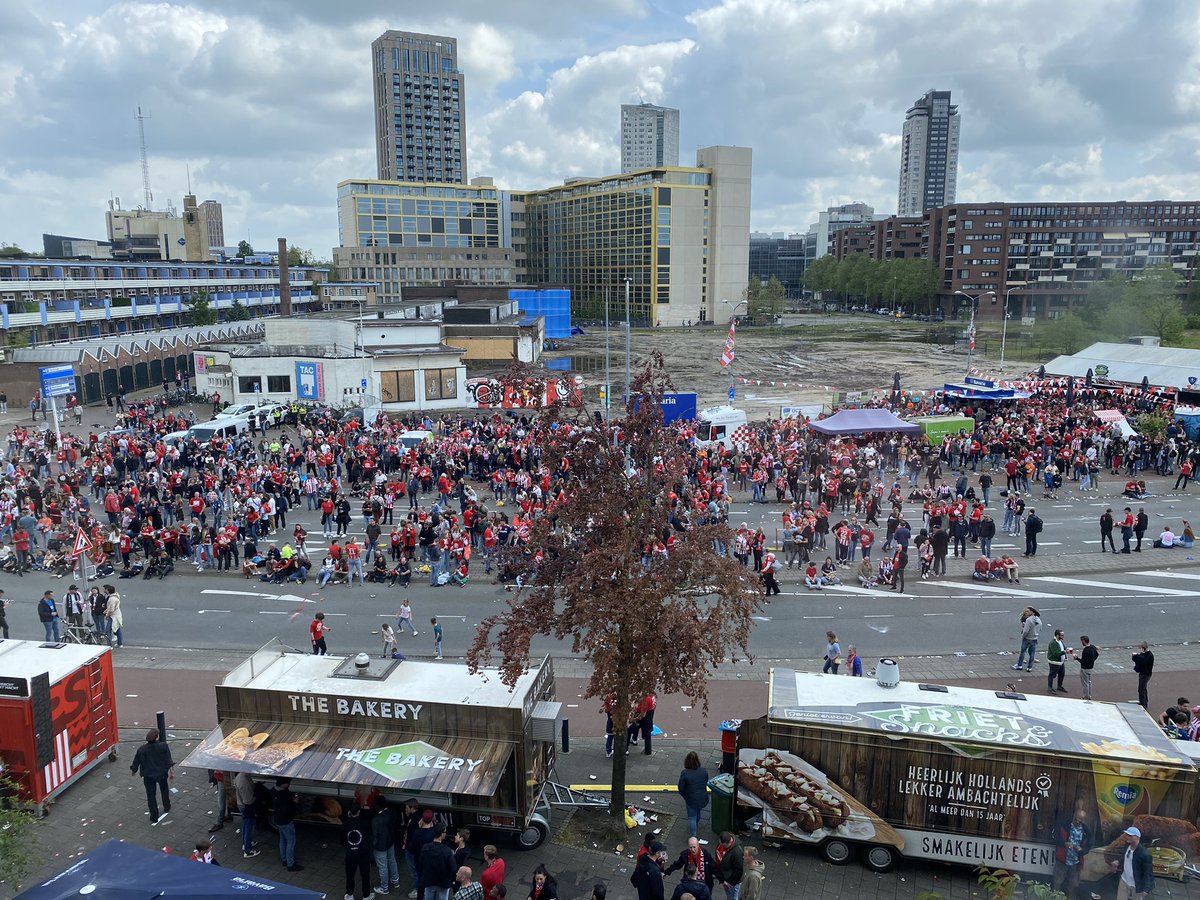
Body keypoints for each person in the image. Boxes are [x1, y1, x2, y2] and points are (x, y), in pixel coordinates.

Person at [130, 727, 174, 824]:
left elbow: (136, 762)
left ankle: (154, 816)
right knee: (164, 790)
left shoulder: (142, 750)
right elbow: (168, 759)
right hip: (161, 774)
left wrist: (134, 770)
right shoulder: (163, 746)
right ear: (157, 737)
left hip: (148, 776)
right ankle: (167, 806)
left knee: (151, 796)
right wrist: (171, 772)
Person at [1051, 806, 1092, 899]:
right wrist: (1063, 843)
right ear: (1074, 816)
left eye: (1080, 821)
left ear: (1084, 820)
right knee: (1057, 883)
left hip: (1075, 862)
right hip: (1062, 860)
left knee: (1072, 887)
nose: (1078, 822)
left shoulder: (1086, 831)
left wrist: (1082, 850)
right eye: (1076, 820)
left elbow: (1089, 845)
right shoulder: (1064, 825)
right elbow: (1054, 836)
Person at [1109, 826, 1154, 899]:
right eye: (1127, 835)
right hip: (1124, 880)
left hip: (1136, 884)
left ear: (1137, 837)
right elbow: (1126, 858)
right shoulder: (1127, 846)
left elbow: (1148, 872)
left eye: (1130, 835)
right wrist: (1118, 862)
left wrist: (1146, 889)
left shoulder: (1144, 854)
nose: (1127, 837)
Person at [342, 803, 375, 900]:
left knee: (350, 874)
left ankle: (349, 894)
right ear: (359, 812)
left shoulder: (345, 825)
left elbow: (342, 840)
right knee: (365, 875)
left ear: (350, 812)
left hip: (350, 854)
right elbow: (369, 838)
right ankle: (366, 895)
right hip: (363, 854)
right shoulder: (365, 824)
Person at [272, 777, 303, 872]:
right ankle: (291, 864)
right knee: (291, 841)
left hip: (278, 819)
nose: (289, 784)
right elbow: (287, 809)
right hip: (286, 821)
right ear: (283, 784)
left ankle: (284, 859)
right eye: (288, 783)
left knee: (282, 839)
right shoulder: (284, 795)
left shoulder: (274, 791)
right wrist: (294, 802)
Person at [677, 751, 710, 839]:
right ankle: (696, 822)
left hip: (691, 799)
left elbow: (681, 787)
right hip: (703, 798)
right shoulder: (703, 771)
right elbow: (706, 781)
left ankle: (693, 836)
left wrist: (684, 795)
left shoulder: (685, 773)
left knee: (692, 817)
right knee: (698, 811)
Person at [371, 795, 400, 894]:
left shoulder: (376, 820)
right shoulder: (392, 812)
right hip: (390, 841)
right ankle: (395, 880)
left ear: (377, 805)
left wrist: (371, 847)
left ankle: (384, 888)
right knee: (392, 860)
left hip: (380, 846)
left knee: (382, 867)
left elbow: (375, 837)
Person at [235, 771, 261, 858]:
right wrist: (257, 796)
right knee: (249, 827)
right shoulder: (244, 783)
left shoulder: (240, 775)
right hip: (246, 807)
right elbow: (248, 801)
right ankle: (248, 850)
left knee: (246, 825)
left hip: (241, 804)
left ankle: (246, 843)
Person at [714, 832, 743, 900]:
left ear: (729, 842)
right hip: (726, 877)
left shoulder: (737, 852)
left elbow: (738, 871)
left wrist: (730, 882)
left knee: (732, 897)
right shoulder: (723, 844)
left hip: (732, 882)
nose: (721, 846)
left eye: (723, 845)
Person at [1072, 636, 1099, 701]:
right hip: (1091, 668)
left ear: (1084, 641)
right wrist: (1092, 661)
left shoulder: (1086, 650)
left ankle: (1086, 696)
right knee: (1089, 682)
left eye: (1081, 641)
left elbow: (1084, 662)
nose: (1081, 642)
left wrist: (1077, 658)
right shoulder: (1092, 647)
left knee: (1085, 683)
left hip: (1085, 669)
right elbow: (1097, 654)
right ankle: (1089, 695)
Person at [1013, 607, 1040, 672]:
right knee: (1032, 652)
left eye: (1029, 611)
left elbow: (1025, 631)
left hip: (1027, 638)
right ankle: (1029, 667)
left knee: (1023, 651)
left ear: (1032, 612)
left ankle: (1019, 665)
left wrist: (1023, 636)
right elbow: (1040, 628)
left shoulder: (1029, 620)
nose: (1027, 612)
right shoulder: (1038, 619)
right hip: (1034, 638)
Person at [1131, 641, 1154, 710]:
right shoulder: (1147, 654)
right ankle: (1144, 702)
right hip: (1145, 674)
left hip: (1145, 674)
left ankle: (1143, 704)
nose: (1140, 650)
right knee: (1144, 688)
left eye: (1141, 648)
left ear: (1144, 648)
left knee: (1141, 689)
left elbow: (1142, 662)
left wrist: (1136, 656)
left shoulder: (1149, 656)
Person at [1046, 629, 1067, 693]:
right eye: (1062, 635)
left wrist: (1066, 650)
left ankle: (1059, 686)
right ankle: (1050, 688)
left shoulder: (1060, 641)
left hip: (1061, 662)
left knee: (1062, 674)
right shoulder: (1053, 643)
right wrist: (1065, 652)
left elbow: (1063, 648)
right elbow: (1055, 653)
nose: (1063, 636)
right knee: (1052, 675)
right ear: (1057, 635)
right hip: (1054, 662)